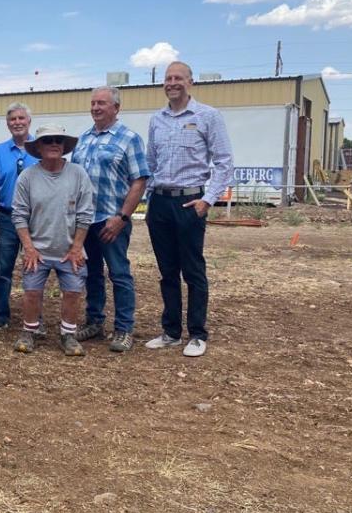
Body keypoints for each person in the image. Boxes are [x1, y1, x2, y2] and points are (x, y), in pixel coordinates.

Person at [145, 61, 234, 358]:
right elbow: (151, 163)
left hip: (189, 203)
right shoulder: (156, 120)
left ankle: (197, 333)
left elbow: (224, 162)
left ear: (190, 82)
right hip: (160, 202)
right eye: (168, 78)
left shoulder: (208, 116)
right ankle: (171, 332)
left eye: (178, 78)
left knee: (192, 270)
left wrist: (207, 200)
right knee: (167, 270)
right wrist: (149, 197)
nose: (172, 83)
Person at [71, 87, 150, 352]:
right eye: (93, 103)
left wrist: (122, 217)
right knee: (91, 273)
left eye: (102, 103)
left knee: (119, 273)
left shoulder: (129, 139)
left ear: (116, 107)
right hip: (86, 221)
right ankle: (94, 322)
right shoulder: (83, 139)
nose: (96, 107)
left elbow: (139, 181)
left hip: (111, 220)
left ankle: (124, 328)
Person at [11, 124, 93, 356]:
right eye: (48, 140)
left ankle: (68, 334)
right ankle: (30, 330)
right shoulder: (27, 176)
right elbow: (19, 214)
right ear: (38, 146)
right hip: (37, 248)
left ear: (65, 145)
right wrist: (28, 248)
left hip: (69, 249)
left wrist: (77, 247)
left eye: (59, 139)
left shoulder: (78, 174)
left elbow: (86, 213)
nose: (54, 144)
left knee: (73, 291)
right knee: (32, 291)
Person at [0, 102, 39, 331]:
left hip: (37, 218)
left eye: (21, 118)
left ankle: (35, 318)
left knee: (37, 268)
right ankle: (0, 315)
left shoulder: (40, 148)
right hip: (7, 217)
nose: (17, 122)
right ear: (7, 124)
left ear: (29, 121)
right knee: (3, 269)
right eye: (12, 119)